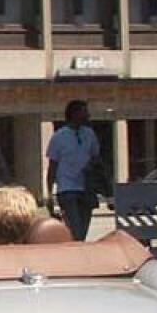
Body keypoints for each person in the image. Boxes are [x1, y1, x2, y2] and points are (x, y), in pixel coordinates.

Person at [46, 99, 100, 241]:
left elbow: (96, 157)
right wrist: (50, 193)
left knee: (83, 229)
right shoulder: (59, 137)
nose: (88, 115)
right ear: (74, 113)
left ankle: (77, 248)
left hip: (86, 188)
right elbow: (52, 166)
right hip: (67, 189)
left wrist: (91, 167)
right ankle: (75, 252)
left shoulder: (89, 134)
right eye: (84, 111)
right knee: (75, 227)